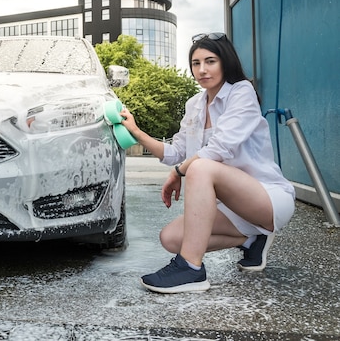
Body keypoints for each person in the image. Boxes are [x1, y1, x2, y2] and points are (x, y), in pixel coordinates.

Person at [119, 32, 295, 294]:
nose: (202, 70)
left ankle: (191, 269)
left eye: (210, 61)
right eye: (195, 63)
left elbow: (219, 149)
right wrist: (136, 131)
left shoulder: (241, 92)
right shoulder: (195, 104)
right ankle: (252, 241)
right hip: (232, 210)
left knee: (200, 166)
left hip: (265, 197)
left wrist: (179, 172)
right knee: (171, 238)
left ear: (225, 61)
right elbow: (175, 151)